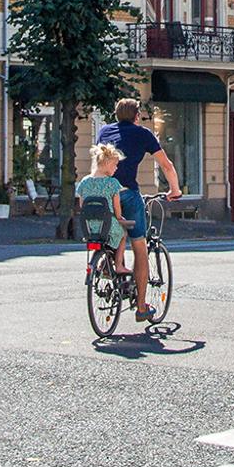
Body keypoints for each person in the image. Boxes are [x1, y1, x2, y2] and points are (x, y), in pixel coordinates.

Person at [94, 98, 183, 322]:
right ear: (137, 116)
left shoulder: (104, 131)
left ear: (116, 115)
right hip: (127, 193)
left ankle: (109, 260)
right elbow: (166, 165)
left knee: (114, 228)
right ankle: (142, 307)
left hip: (101, 192)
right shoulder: (143, 134)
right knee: (140, 246)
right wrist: (174, 189)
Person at [74, 143, 146, 313]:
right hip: (109, 223)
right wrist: (121, 219)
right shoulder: (113, 184)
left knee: (100, 237)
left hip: (90, 226)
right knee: (122, 232)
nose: (116, 168)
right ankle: (119, 264)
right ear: (106, 164)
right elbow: (116, 208)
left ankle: (102, 264)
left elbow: (82, 205)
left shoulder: (84, 182)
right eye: (114, 165)